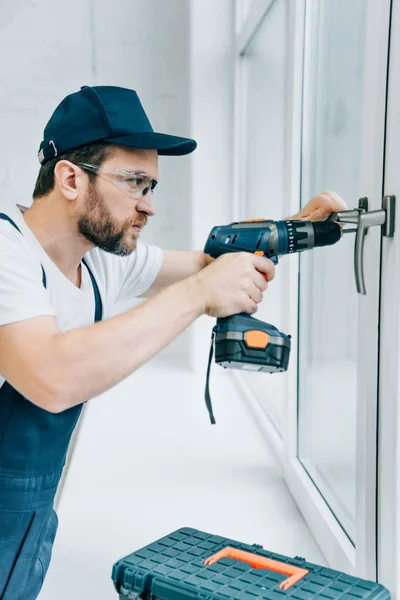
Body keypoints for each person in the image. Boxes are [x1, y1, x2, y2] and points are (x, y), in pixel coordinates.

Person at [0, 85, 347, 599]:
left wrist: (294, 229)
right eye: (135, 183)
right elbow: (52, 378)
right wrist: (199, 295)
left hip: (24, 514)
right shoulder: (9, 254)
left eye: (152, 186)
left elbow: (212, 262)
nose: (149, 207)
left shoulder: (98, 262)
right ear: (70, 178)